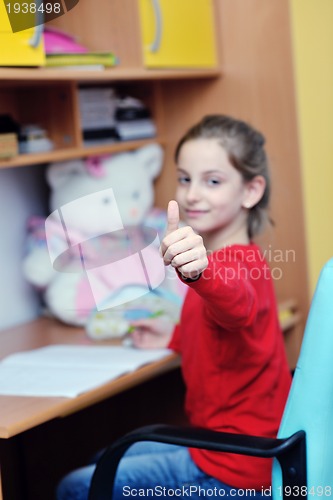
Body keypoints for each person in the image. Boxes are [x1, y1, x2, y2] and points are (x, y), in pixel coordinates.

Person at [56, 115, 292, 499]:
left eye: (212, 181)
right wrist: (177, 336)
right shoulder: (246, 257)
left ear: (251, 191)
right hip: (236, 450)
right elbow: (227, 334)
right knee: (101, 459)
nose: (191, 194)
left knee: (77, 486)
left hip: (232, 467)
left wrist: (201, 272)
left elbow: (237, 305)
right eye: (184, 178)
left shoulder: (231, 267)